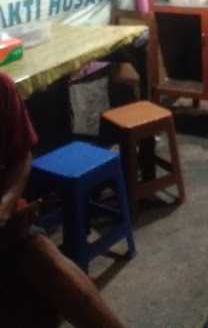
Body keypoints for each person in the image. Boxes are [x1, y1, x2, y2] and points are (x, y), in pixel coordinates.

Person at [0, 71, 128, 328]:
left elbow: (22, 155)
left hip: (7, 226)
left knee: (49, 265)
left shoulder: (2, 87)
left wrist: (4, 206)